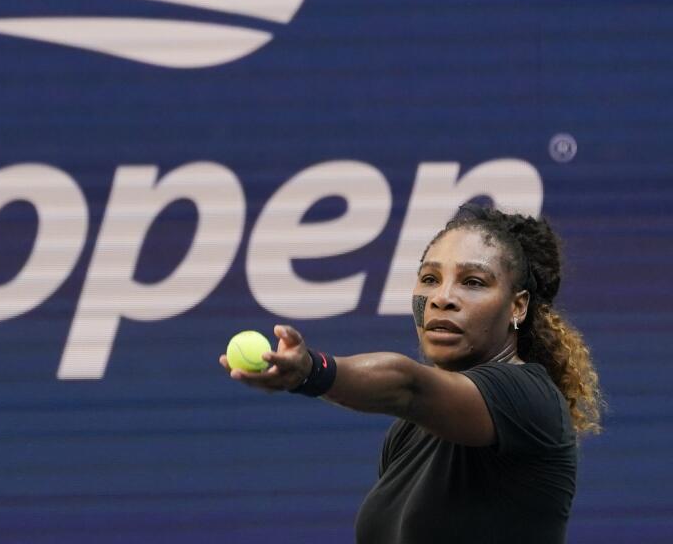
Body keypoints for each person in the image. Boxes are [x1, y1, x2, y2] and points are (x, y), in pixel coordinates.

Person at [221, 203, 603, 544]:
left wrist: (311, 372)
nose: (442, 298)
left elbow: (407, 385)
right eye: (429, 279)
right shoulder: (407, 434)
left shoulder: (529, 397)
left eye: (473, 282)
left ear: (517, 307)